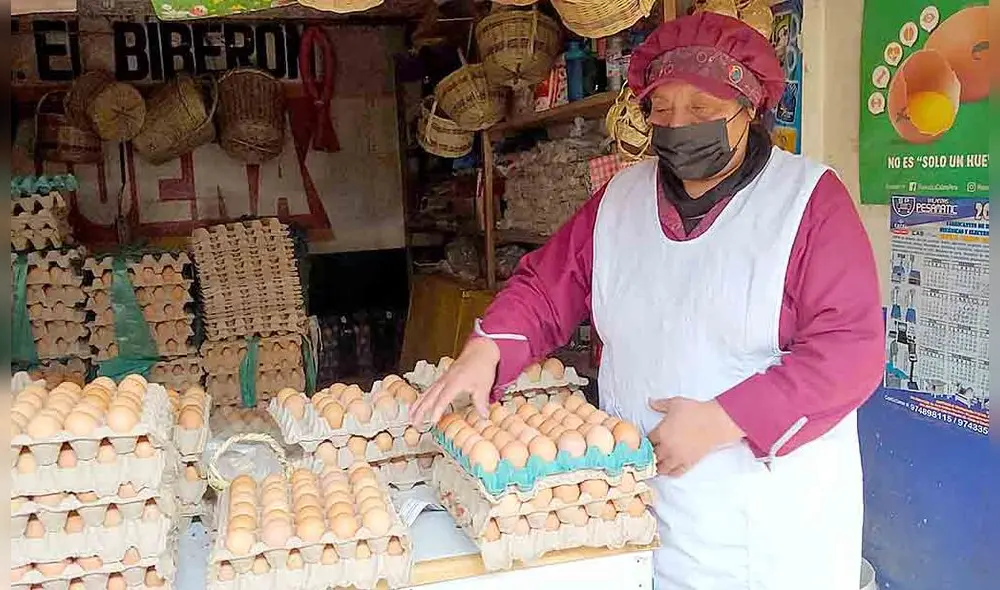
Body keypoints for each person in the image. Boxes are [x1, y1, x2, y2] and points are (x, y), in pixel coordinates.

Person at [411, 12, 884, 590]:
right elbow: (546, 285)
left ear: (750, 109)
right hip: (634, 506)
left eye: (704, 112)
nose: (680, 126)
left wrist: (724, 419)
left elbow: (850, 351)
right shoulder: (620, 199)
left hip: (761, 527)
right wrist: (488, 350)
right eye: (663, 111)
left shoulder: (807, 202)